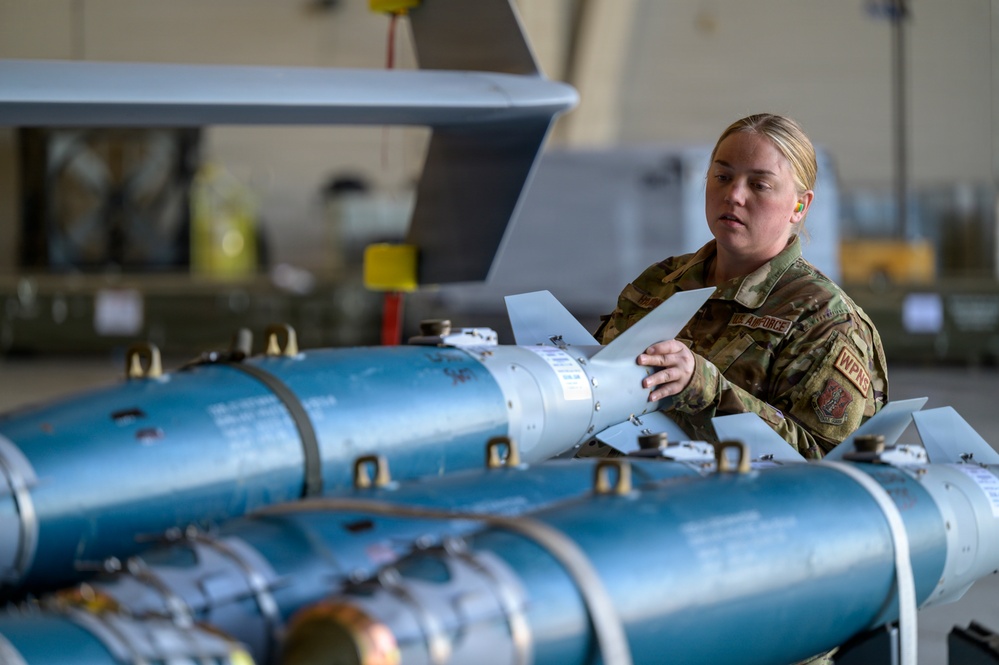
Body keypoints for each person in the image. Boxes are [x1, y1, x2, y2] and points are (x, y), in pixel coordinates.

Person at [595, 113, 888, 459]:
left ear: (799, 205)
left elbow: (823, 463)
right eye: (722, 176)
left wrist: (703, 388)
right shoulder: (659, 283)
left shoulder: (825, 319)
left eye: (759, 185)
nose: (733, 195)